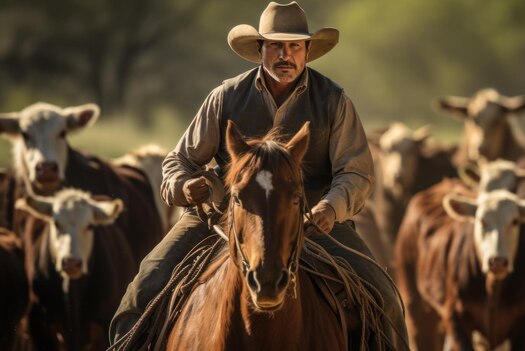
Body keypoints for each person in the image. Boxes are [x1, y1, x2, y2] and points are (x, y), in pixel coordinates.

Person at [110, 1, 408, 349]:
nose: (285, 55)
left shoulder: (334, 100)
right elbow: (179, 160)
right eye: (276, 46)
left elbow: (355, 172)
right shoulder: (225, 96)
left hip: (311, 219)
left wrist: (331, 208)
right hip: (222, 216)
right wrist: (184, 186)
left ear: (308, 51)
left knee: (383, 296)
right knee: (145, 286)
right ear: (260, 50)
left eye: (294, 46)